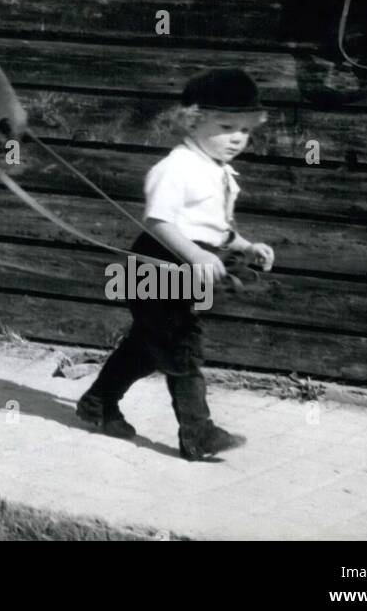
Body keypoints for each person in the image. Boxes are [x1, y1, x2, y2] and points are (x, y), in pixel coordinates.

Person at [76, 68, 275, 461]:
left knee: (148, 348)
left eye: (245, 130)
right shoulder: (176, 168)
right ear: (194, 120)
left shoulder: (218, 170)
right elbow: (159, 222)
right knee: (181, 345)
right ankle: (198, 433)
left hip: (185, 266)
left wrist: (246, 245)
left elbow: (214, 227)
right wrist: (198, 254)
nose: (237, 137)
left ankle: (98, 403)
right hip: (156, 263)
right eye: (226, 126)